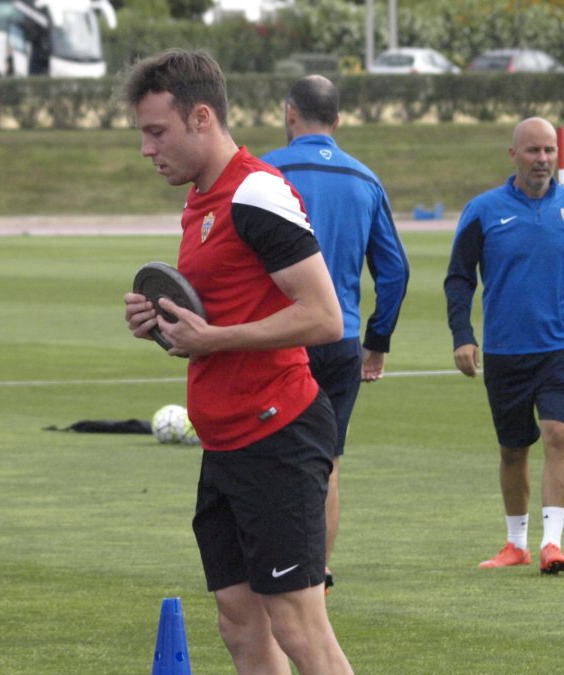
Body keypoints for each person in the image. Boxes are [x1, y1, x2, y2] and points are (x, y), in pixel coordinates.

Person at [121, 50, 352, 674]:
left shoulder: (256, 192)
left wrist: (212, 339)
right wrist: (162, 326)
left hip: (277, 433)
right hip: (225, 443)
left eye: (156, 131)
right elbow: (217, 315)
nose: (147, 148)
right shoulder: (201, 200)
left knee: (300, 628)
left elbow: (324, 317)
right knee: (239, 620)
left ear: (201, 117)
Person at [260, 75, 410, 590]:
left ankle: (271, 565)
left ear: (290, 114)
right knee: (328, 460)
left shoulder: (265, 173)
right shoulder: (365, 179)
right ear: (338, 121)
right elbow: (394, 271)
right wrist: (378, 341)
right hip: (340, 340)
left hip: (277, 338)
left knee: (267, 454)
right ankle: (317, 571)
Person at [445, 116, 564, 575]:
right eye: (533, 151)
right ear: (513, 154)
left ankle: (553, 543)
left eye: (550, 150)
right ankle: (517, 543)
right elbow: (459, 277)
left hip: (557, 349)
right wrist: (462, 335)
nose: (543, 160)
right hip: (506, 351)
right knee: (513, 449)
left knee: (558, 434)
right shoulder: (484, 210)